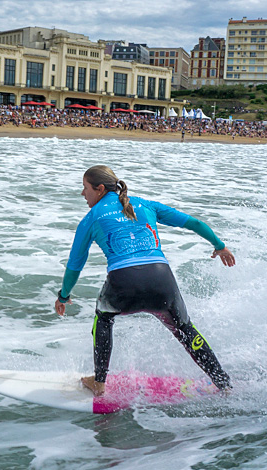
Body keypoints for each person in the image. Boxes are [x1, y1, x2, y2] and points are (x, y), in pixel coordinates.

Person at [55, 165, 236, 396]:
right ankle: (224, 385)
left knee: (104, 318)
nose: (83, 194)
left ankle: (99, 382)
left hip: (123, 283)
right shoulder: (146, 204)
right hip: (162, 280)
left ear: (99, 189)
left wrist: (64, 295)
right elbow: (194, 223)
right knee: (184, 329)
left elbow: (74, 264)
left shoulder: (91, 218)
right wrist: (220, 247)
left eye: (85, 189)